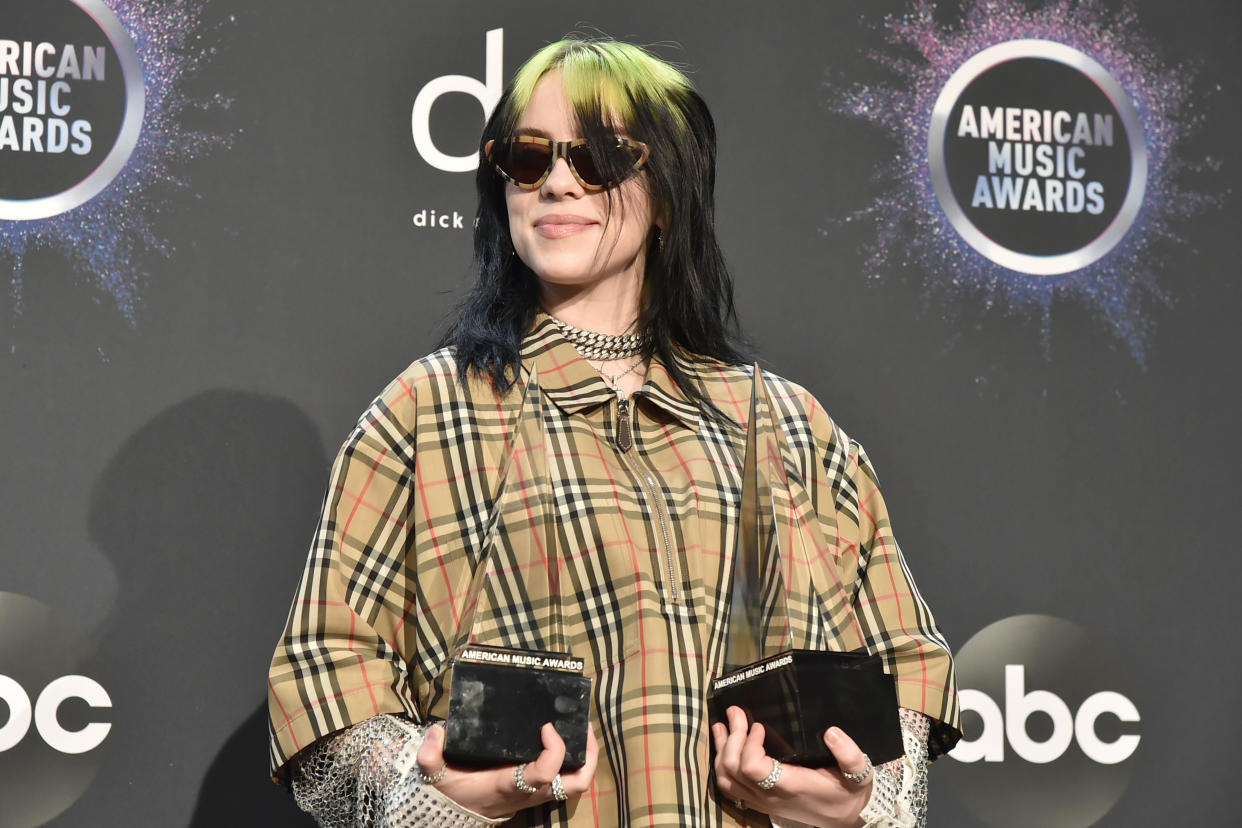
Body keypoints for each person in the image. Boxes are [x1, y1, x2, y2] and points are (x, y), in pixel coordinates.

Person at [267, 35, 960, 828]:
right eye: (528, 158)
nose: (558, 180)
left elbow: (903, 669)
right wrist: (431, 791)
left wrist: (862, 803)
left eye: (599, 157)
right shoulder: (426, 411)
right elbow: (325, 672)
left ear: (666, 191)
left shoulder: (791, 428)